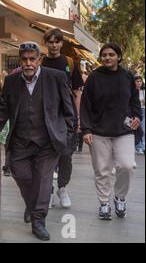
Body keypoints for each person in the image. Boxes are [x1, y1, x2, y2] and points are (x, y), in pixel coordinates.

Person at [0, 41, 74, 241]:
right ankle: (32, 206)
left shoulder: (56, 77)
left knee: (42, 180)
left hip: (48, 142)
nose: (28, 63)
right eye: (24, 59)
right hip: (20, 141)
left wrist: (67, 137)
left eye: (32, 59)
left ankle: (38, 221)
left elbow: (69, 111)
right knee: (21, 174)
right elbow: (2, 109)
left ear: (39, 60)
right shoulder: (11, 81)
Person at [80, 43, 141, 220]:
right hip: (99, 131)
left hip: (124, 130)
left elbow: (134, 101)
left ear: (118, 57)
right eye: (104, 55)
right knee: (102, 169)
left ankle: (120, 197)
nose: (107, 58)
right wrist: (86, 129)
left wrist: (137, 116)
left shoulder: (128, 76)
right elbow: (85, 105)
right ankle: (104, 203)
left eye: (111, 54)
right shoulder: (93, 77)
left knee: (127, 166)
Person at [42, 28, 84, 208]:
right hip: (45, 115)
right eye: (50, 41)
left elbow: (77, 91)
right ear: (46, 43)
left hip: (67, 115)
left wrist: (79, 116)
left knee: (66, 155)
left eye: (57, 41)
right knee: (46, 155)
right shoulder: (40, 62)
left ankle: (62, 188)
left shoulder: (70, 62)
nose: (53, 45)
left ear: (61, 43)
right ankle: (48, 190)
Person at [134, 76, 145, 154]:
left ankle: (142, 146)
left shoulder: (143, 91)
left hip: (143, 110)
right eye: (137, 81)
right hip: (135, 112)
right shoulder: (132, 91)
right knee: (135, 129)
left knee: (143, 129)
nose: (139, 83)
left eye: (140, 81)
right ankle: (137, 146)